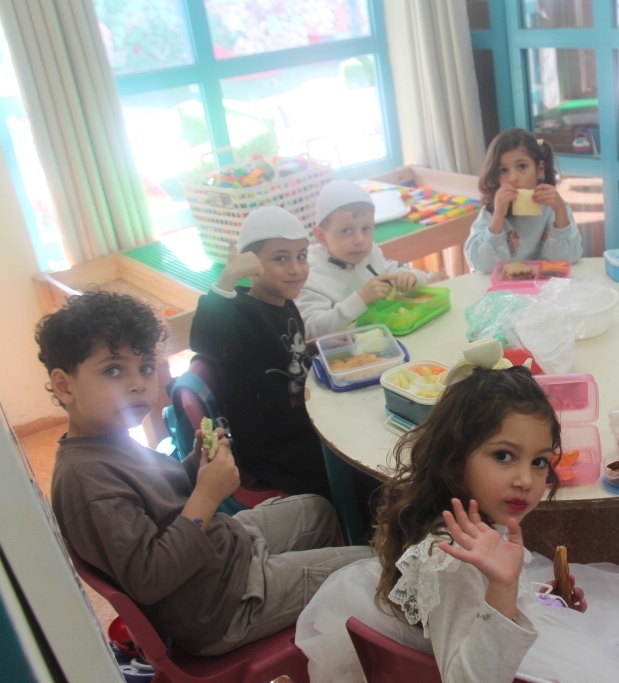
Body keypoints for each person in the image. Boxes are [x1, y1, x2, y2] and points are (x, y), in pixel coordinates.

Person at [297, 366, 619, 683]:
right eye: (503, 456)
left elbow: (468, 607)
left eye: (539, 461)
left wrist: (536, 597)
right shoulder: (452, 560)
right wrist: (503, 587)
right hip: (499, 660)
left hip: (498, 631)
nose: (526, 480)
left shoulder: (459, 519)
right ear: (454, 458)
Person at [39, 291, 370, 655]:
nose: (137, 384)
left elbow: (160, 502)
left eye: (145, 367)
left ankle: (316, 602)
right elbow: (151, 577)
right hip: (219, 606)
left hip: (221, 555)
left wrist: (195, 466)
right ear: (65, 385)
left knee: (318, 509)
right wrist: (207, 494)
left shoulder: (110, 437)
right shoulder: (87, 482)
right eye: (113, 370)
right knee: (369, 568)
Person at [191, 206, 330, 499]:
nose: (296, 269)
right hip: (277, 451)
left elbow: (290, 355)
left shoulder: (284, 302)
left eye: (301, 256)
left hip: (307, 424)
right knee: (356, 465)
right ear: (251, 264)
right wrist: (227, 279)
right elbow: (205, 341)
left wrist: (325, 349)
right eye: (280, 258)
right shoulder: (240, 313)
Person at [296, 180, 427, 339]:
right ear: (322, 236)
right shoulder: (309, 274)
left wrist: (412, 277)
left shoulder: (370, 253)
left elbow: (405, 273)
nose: (359, 240)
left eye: (366, 229)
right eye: (346, 230)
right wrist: (360, 300)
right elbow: (310, 330)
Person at [464, 128, 584, 273]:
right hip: (505, 285)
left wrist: (560, 211)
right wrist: (498, 217)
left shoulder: (554, 208)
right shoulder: (491, 213)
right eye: (503, 170)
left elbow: (567, 259)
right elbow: (483, 266)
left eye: (522, 166)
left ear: (539, 170)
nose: (513, 178)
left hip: (544, 283)